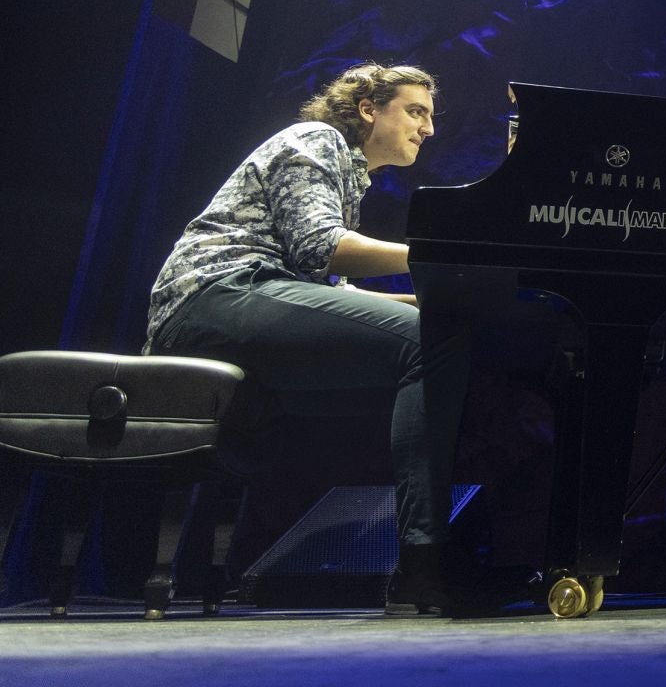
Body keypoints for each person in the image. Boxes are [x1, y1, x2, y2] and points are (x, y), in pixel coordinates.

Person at [144, 61, 472, 614]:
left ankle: (264, 569)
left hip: (256, 301)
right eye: (417, 112)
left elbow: (335, 292)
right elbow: (321, 247)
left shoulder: (347, 174)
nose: (429, 129)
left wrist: (445, 297)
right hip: (215, 295)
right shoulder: (314, 139)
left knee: (429, 336)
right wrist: (443, 260)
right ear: (369, 109)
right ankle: (423, 560)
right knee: (423, 343)